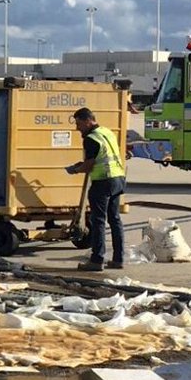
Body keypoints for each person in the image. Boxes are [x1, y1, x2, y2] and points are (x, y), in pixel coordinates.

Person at [65, 107, 126, 271]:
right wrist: (83, 165)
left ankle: (97, 260)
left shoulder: (91, 138)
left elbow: (90, 164)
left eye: (79, 124)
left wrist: (76, 169)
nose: (77, 128)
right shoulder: (107, 132)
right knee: (115, 219)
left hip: (103, 181)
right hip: (118, 178)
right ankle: (118, 259)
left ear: (87, 121)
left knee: (98, 221)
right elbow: (103, 156)